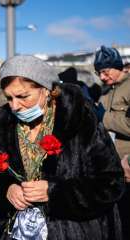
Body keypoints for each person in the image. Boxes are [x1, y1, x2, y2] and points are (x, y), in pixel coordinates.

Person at [0, 55, 125, 239]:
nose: (15, 106)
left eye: (23, 96)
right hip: (21, 231)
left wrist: (54, 192)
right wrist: (7, 189)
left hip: (77, 231)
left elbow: (111, 183)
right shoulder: (5, 122)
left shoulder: (79, 118)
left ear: (46, 90)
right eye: (9, 98)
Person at [94, 46, 130, 238]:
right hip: (110, 165)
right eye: (99, 72)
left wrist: (104, 117)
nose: (102, 77)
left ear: (118, 67)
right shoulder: (106, 91)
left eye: (105, 71)